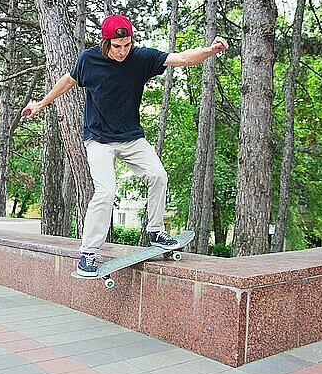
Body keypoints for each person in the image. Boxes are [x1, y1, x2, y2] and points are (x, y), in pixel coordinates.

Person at [22, 14, 228, 277]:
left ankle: (155, 231)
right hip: (98, 139)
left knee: (158, 175)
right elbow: (68, 80)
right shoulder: (89, 59)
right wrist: (41, 103)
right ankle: (88, 253)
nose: (122, 52)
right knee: (106, 192)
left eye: (126, 45)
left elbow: (183, 58)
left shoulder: (141, 58)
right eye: (116, 46)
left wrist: (209, 50)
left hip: (131, 137)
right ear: (105, 42)